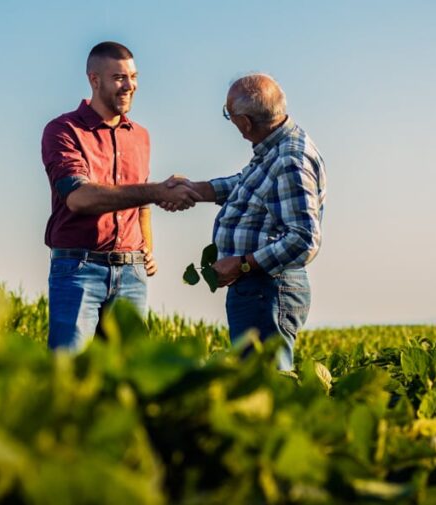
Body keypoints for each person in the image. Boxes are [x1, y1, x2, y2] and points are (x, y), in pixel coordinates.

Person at [42, 41, 202, 352]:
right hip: (78, 270)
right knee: (68, 374)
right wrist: (158, 191)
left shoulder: (140, 136)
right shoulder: (63, 130)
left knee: (126, 378)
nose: (130, 86)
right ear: (94, 80)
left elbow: (139, 202)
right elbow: (79, 198)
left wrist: (147, 248)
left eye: (133, 76)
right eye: (119, 78)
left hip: (132, 275)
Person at [165, 74, 326, 371]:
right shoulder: (274, 150)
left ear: (246, 122)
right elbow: (245, 185)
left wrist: (241, 264)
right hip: (260, 289)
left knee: (264, 386)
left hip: (267, 290)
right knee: (253, 381)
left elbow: (304, 239)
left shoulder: (290, 159)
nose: (231, 122)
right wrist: (195, 189)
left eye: (230, 115)